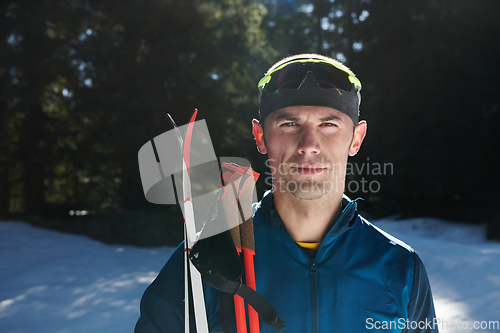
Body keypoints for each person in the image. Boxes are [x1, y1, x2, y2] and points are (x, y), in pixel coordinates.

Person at [134, 53, 438, 333]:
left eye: (329, 124)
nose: (308, 143)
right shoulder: (208, 258)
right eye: (289, 123)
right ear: (260, 136)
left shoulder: (399, 267)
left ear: (356, 139)